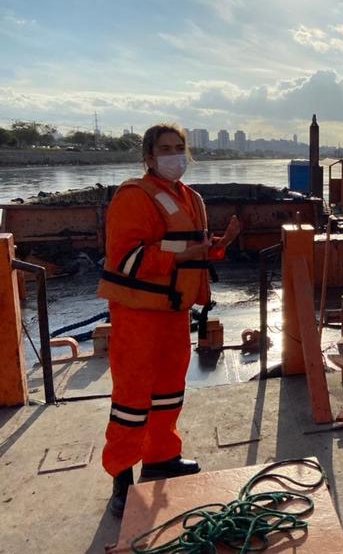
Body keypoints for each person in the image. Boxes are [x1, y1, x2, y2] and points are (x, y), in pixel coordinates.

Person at [97, 123, 241, 517]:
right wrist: (176, 256)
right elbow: (124, 259)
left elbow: (193, 249)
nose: (175, 155)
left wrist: (220, 245)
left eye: (180, 148)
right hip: (137, 316)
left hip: (175, 313)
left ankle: (161, 457)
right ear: (149, 156)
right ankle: (122, 479)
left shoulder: (191, 198)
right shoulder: (133, 197)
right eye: (166, 148)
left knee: (168, 392)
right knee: (131, 399)